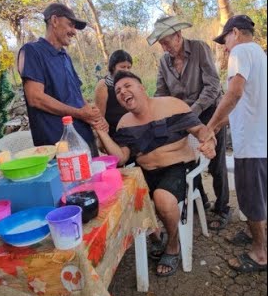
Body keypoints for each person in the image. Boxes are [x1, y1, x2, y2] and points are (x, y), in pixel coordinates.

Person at [92, 71, 216, 277]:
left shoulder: (173, 105)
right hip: (145, 172)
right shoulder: (124, 123)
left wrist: (209, 142)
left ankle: (173, 244)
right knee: (121, 196)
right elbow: (121, 158)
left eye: (127, 86)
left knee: (162, 198)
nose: (123, 92)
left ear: (142, 87)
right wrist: (101, 132)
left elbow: (201, 131)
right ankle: (154, 234)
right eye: (118, 91)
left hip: (178, 168)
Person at [151, 15, 231, 231]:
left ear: (178, 36)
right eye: (161, 45)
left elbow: (212, 85)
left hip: (208, 113)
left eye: (167, 42)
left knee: (215, 161)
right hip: (182, 118)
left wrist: (191, 111)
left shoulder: (199, 49)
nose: (165, 48)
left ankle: (223, 208)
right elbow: (161, 92)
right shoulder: (164, 62)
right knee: (187, 161)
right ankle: (201, 201)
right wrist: (160, 111)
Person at [206, 14, 267, 273]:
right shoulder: (260, 55)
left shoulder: (240, 51)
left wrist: (211, 127)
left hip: (252, 144)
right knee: (260, 197)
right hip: (260, 140)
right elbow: (248, 102)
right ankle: (258, 237)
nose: (225, 46)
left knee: (252, 199)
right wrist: (223, 122)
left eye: (225, 40)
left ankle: (260, 253)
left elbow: (235, 92)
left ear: (236, 33)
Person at [18, 2, 101, 154]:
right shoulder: (32, 51)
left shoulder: (65, 57)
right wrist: (79, 113)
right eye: (70, 24)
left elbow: (76, 95)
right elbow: (35, 98)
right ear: (54, 21)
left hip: (83, 138)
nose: (74, 32)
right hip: (58, 144)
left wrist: (92, 114)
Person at [93, 49, 134, 136]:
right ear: (113, 67)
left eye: (129, 67)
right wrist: (103, 138)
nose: (126, 70)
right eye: (122, 67)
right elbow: (100, 117)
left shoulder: (132, 82)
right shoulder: (103, 85)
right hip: (113, 132)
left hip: (132, 129)